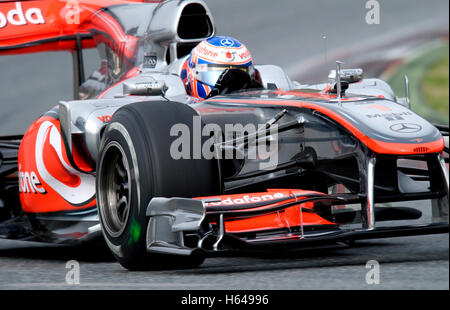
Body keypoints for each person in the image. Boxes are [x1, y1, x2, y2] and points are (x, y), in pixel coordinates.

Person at [181, 36, 259, 99]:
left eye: (237, 79)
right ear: (190, 75)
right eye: (215, 75)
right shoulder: (184, 112)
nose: (225, 84)